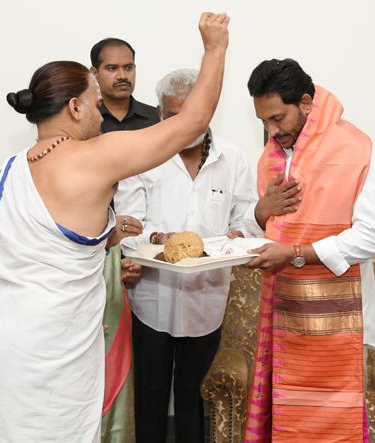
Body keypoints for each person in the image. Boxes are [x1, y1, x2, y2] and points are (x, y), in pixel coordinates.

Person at [0, 12, 230, 441]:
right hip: (52, 349)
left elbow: (47, 244)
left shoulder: (4, 174)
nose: (99, 114)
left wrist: (106, 235)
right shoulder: (93, 158)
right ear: (74, 107)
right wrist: (215, 47)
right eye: (94, 104)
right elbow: (192, 123)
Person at [242, 58, 375, 442]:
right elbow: (255, 228)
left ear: (306, 102)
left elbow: (373, 237)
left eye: (277, 118)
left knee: (330, 423)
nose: (271, 131)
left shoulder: (357, 149)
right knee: (286, 419)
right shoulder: (272, 157)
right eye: (263, 122)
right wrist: (261, 211)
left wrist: (295, 253)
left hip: (338, 318)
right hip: (282, 313)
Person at [115, 68, 254, 443]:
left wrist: (239, 235)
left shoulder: (233, 158)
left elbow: (245, 217)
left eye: (193, 112)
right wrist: (157, 237)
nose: (185, 123)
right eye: (174, 115)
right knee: (151, 393)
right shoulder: (141, 154)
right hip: (151, 298)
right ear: (160, 113)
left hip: (207, 299)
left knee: (194, 395)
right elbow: (127, 225)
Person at [89, 36, 157, 442]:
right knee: (95, 363)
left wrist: (141, 253)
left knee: (144, 369)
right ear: (95, 73)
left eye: (128, 67)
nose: (122, 75)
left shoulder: (155, 121)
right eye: (112, 68)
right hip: (93, 259)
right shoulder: (84, 121)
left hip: (145, 259)